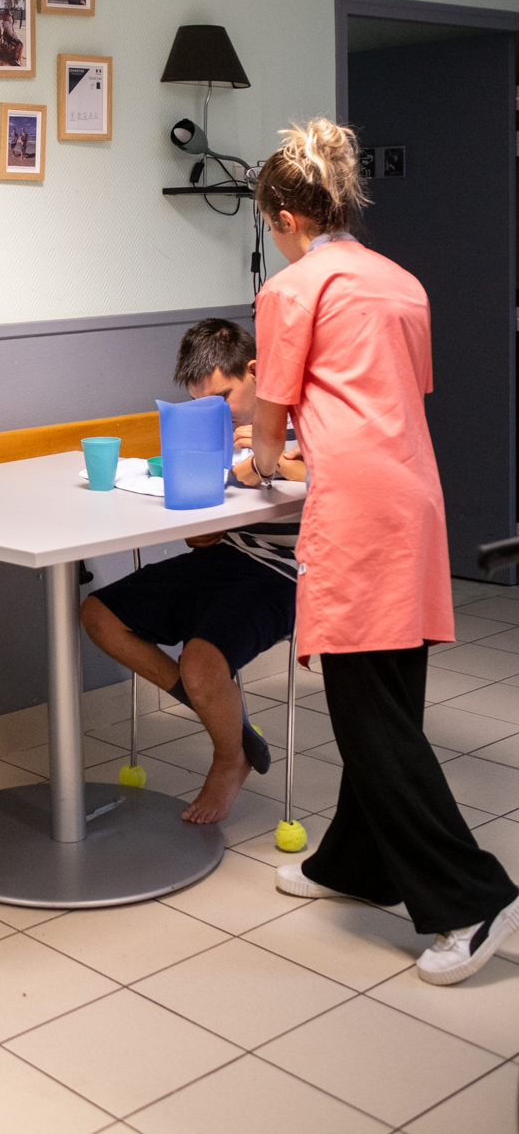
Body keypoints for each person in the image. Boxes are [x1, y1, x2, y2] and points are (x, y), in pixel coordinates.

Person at [249, 117, 519, 985]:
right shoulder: (402, 282)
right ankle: (356, 865)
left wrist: (256, 463)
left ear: (286, 218)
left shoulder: (294, 289)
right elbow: (387, 397)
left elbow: (272, 422)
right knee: (391, 697)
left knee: (370, 718)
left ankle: (472, 897)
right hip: (413, 496)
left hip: (359, 513)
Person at [81, 318, 305, 825]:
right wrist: (203, 526)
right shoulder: (215, 431)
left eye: (223, 397)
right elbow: (214, 516)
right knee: (98, 615)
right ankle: (221, 716)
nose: (216, 412)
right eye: (201, 403)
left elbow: (336, 477)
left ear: (255, 371)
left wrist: (270, 461)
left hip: (287, 570)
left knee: (202, 663)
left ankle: (229, 756)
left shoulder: (303, 416)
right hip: (230, 555)